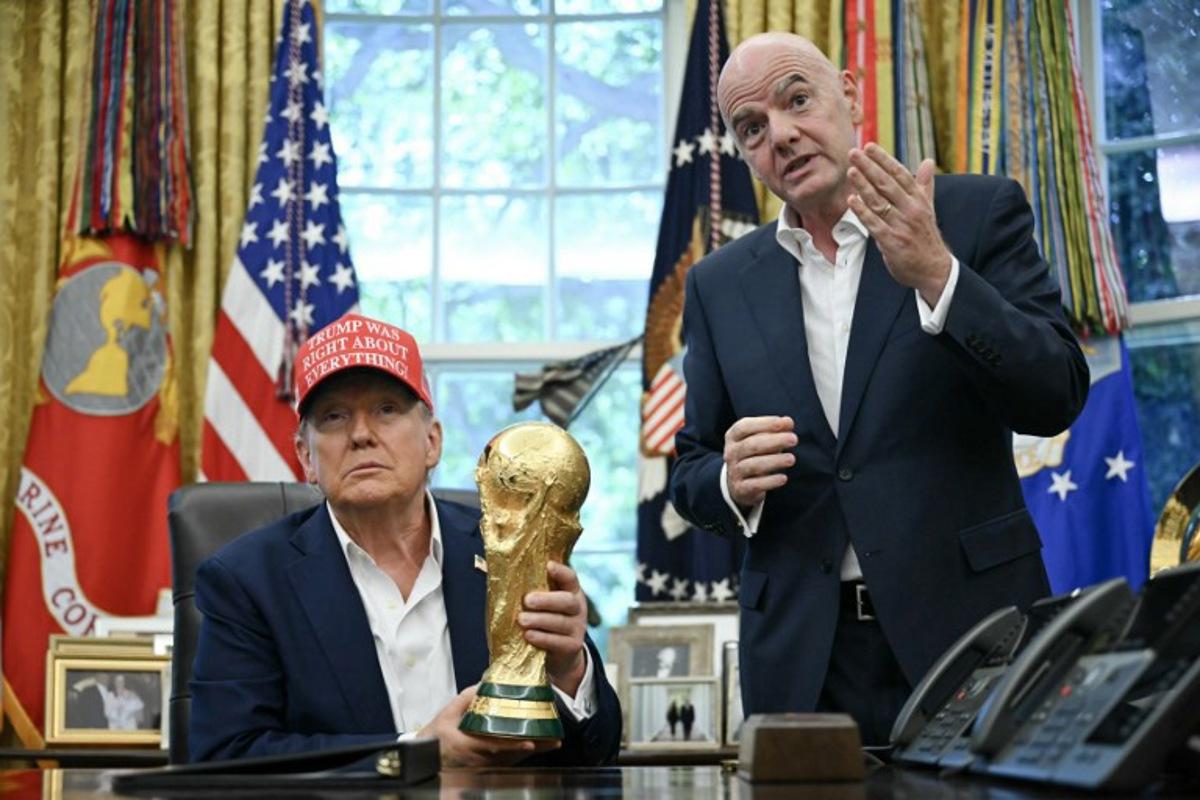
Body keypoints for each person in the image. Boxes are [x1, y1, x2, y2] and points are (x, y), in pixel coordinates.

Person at [668, 32, 1089, 746]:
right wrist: (728, 482)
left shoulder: (973, 213)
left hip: (971, 631)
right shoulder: (718, 284)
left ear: (850, 95)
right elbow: (691, 468)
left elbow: (1056, 393)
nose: (782, 134)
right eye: (752, 128)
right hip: (805, 658)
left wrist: (939, 276)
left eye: (797, 100)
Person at [189, 313, 621, 765]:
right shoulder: (247, 581)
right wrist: (416, 754)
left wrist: (570, 671)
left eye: (387, 410)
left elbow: (599, 754)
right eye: (334, 416)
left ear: (432, 442)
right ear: (306, 458)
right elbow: (226, 759)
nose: (361, 435)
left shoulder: (511, 546)